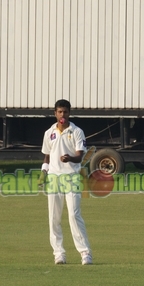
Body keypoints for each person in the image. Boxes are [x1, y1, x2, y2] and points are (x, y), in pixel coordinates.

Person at [41, 99, 93, 265]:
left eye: (65, 112)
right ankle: (59, 253)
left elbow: (80, 155)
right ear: (55, 113)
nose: (62, 115)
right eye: (60, 112)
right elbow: (47, 155)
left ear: (69, 113)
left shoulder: (76, 131)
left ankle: (85, 253)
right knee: (54, 217)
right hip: (54, 177)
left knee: (73, 214)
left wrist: (70, 158)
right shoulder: (49, 133)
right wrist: (44, 171)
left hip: (71, 176)